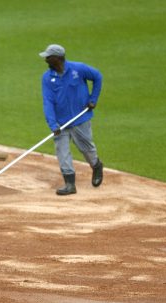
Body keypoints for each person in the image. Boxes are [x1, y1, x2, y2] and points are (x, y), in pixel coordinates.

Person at [39, 44, 104, 195]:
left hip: (80, 118)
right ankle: (70, 184)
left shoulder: (78, 69)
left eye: (49, 57)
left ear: (58, 58)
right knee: (62, 152)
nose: (46, 60)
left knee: (86, 148)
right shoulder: (47, 78)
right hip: (60, 123)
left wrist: (93, 99)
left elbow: (97, 77)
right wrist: (52, 123)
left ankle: (96, 166)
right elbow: (47, 101)